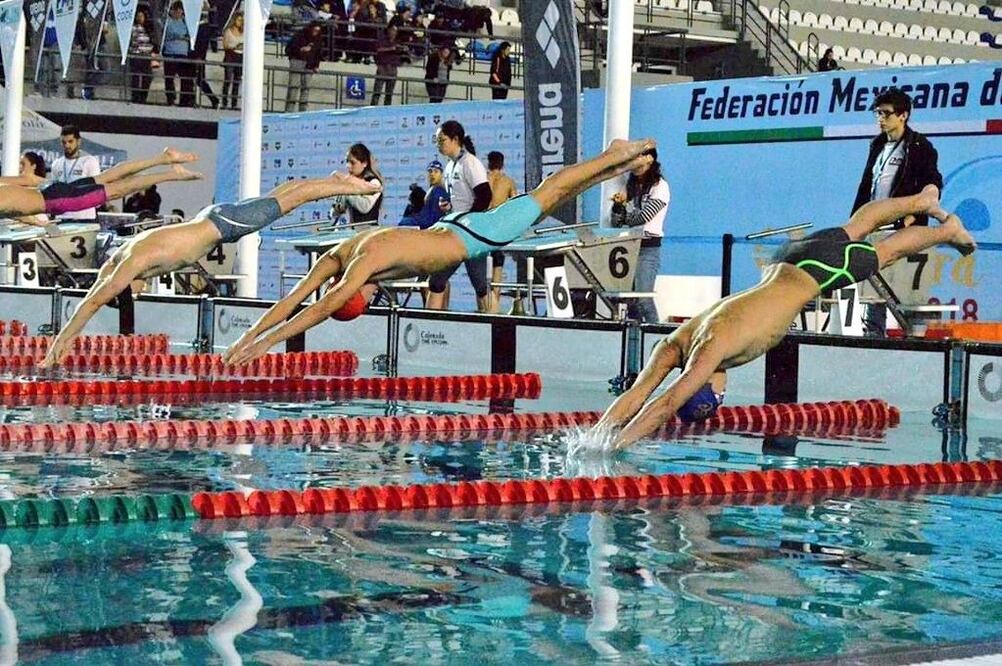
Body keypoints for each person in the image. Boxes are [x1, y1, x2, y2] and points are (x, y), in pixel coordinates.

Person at [593, 185, 976, 449]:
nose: (724, 388)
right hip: (785, 260)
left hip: (813, 274)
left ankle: (947, 230)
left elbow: (666, 402)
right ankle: (922, 200)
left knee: (886, 252)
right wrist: (596, 435)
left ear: (708, 385)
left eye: (719, 393)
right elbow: (636, 394)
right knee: (857, 225)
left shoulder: (710, 350)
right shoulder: (675, 343)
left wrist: (613, 450)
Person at [220, 138, 658, 367]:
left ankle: (612, 156)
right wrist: (246, 337)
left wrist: (269, 345)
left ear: (361, 295)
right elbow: (293, 298)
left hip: (471, 238)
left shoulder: (363, 266)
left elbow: (320, 307)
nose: (373, 299)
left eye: (365, 302)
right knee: (549, 197)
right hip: (453, 228)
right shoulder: (346, 251)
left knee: (549, 193)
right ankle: (613, 165)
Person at [39, 172, 381, 368]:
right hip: (212, 217)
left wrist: (63, 341)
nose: (139, 292)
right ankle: (337, 180)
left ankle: (352, 186)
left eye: (131, 293)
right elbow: (94, 293)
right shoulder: (119, 257)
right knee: (281, 195)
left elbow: (95, 301)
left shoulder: (129, 266)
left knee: (291, 199)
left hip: (221, 225)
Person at [851, 87, 942, 336]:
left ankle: (916, 344)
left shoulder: (920, 146)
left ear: (903, 115)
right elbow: (866, 186)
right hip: (875, 228)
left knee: (907, 294)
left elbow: (932, 180)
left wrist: (920, 207)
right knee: (874, 294)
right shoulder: (878, 144)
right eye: (877, 113)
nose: (880, 118)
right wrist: (854, 222)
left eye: (886, 114)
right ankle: (873, 341)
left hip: (902, 229)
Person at [0, 148, 201, 221]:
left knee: (116, 190)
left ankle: (171, 174)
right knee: (108, 176)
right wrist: (38, 222)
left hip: (56, 199)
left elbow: (26, 183)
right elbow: (18, 213)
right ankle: (163, 158)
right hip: (54, 193)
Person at [426, 120, 493, 312]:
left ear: (455, 140)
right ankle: (429, 325)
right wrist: (448, 207)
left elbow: (485, 196)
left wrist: (468, 223)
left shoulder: (470, 163)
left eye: (442, 140)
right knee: (437, 281)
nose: (439, 144)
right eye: (437, 140)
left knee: (480, 286)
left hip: (471, 234)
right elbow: (460, 199)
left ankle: (494, 328)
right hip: (455, 232)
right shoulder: (449, 166)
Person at [610, 147, 669, 323]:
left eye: (641, 158)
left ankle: (654, 334)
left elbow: (645, 216)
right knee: (630, 301)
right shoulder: (631, 185)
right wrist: (619, 208)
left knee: (644, 298)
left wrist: (624, 215)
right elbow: (616, 220)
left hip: (648, 247)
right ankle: (634, 341)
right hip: (628, 247)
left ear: (650, 160)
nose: (636, 163)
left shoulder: (660, 186)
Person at [48, 126, 103, 222]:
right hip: (62, 217)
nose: (67, 145)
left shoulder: (89, 161)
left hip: (84, 217)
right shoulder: (56, 164)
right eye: (63, 142)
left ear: (78, 141)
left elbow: (96, 191)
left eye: (70, 141)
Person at [485, 150, 517, 312]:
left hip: (483, 227)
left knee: (481, 271)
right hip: (499, 229)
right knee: (497, 266)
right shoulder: (508, 182)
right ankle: (494, 305)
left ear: (488, 163)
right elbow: (514, 207)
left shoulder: (483, 180)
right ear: (502, 164)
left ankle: (485, 307)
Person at [330, 144, 384, 224]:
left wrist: (347, 191)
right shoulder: (348, 183)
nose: (348, 166)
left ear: (364, 163)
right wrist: (337, 205)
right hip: (352, 231)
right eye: (347, 161)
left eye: (352, 163)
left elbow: (364, 207)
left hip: (369, 232)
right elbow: (335, 214)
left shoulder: (374, 182)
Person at [398, 160, 450, 229]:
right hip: (425, 221)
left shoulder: (438, 191)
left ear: (441, 174)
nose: (432, 174)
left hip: (430, 226)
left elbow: (431, 220)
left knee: (404, 222)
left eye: (436, 171)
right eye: (430, 171)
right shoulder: (433, 189)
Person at [162, 1, 196, 107]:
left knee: (185, 78)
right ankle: (170, 99)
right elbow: (168, 34)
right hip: (170, 52)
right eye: (175, 10)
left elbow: (189, 35)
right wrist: (181, 36)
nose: (178, 12)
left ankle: (184, 100)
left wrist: (181, 36)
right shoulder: (167, 22)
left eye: (180, 10)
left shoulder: (185, 22)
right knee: (169, 78)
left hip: (183, 53)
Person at [286, 22, 324, 112]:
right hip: (297, 61)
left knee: (306, 88)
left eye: (318, 31)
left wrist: (316, 65)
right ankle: (289, 110)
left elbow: (318, 53)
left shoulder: (318, 39)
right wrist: (300, 49)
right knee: (293, 86)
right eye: (314, 30)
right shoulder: (299, 35)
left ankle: (302, 110)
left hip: (309, 64)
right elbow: (289, 49)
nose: (315, 32)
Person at [128, 8, 158, 104]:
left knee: (148, 77)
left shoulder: (148, 29)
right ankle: (135, 97)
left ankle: (143, 97)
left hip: (147, 56)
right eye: (138, 16)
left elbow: (153, 41)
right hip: (136, 54)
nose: (139, 18)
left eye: (141, 16)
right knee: (136, 77)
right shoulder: (133, 28)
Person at [371, 24, 403, 105]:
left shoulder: (398, 42)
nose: (393, 33)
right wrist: (391, 49)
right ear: (388, 30)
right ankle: (372, 109)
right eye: (392, 30)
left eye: (395, 31)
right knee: (377, 92)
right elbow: (378, 50)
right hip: (383, 68)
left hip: (392, 69)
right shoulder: (382, 40)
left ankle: (386, 111)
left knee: (389, 94)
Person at [222, 11, 244, 109]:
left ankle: (234, 103)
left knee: (236, 81)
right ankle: (224, 102)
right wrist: (234, 46)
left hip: (240, 56)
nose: (240, 22)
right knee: (228, 80)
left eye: (241, 20)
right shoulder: (228, 31)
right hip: (230, 55)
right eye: (238, 20)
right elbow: (225, 45)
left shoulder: (244, 32)